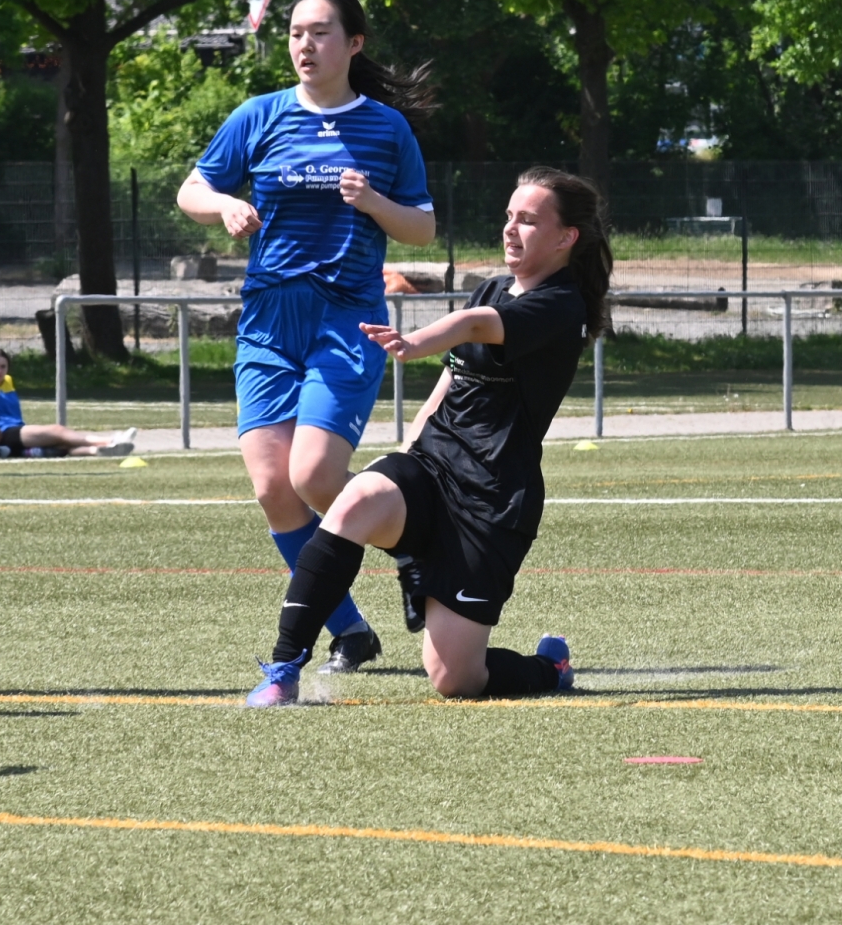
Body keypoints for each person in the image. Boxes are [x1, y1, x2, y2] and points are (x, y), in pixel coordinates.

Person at [243, 166, 610, 705]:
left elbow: (477, 325)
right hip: (432, 465)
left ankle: (548, 668)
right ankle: (283, 670)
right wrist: (406, 455)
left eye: (528, 220)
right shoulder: (494, 286)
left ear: (566, 237)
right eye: (509, 216)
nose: (510, 229)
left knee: (456, 679)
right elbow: (453, 376)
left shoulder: (562, 305)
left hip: (491, 498)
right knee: (356, 498)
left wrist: (413, 342)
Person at [177, 0, 436, 676]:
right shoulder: (258, 115)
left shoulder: (385, 128)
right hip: (268, 320)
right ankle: (350, 629)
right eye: (296, 33)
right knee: (273, 487)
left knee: (315, 475)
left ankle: (414, 544)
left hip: (346, 320)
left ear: (353, 43)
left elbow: (422, 227)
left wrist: (374, 201)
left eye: (320, 32)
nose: (304, 45)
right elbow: (190, 189)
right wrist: (223, 205)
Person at [0, 349, 137, 457]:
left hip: (17, 428)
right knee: (58, 430)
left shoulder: (7, 381)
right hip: (4, 432)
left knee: (63, 445)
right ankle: (110, 440)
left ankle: (99, 451)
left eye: (3, 366)